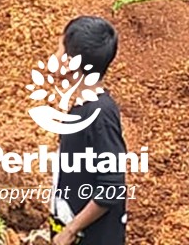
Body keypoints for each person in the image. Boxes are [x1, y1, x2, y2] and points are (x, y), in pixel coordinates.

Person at [50, 16, 127, 245]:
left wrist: (70, 230)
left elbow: (111, 188)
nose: (53, 57)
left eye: (58, 49)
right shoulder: (85, 107)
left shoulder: (100, 115)